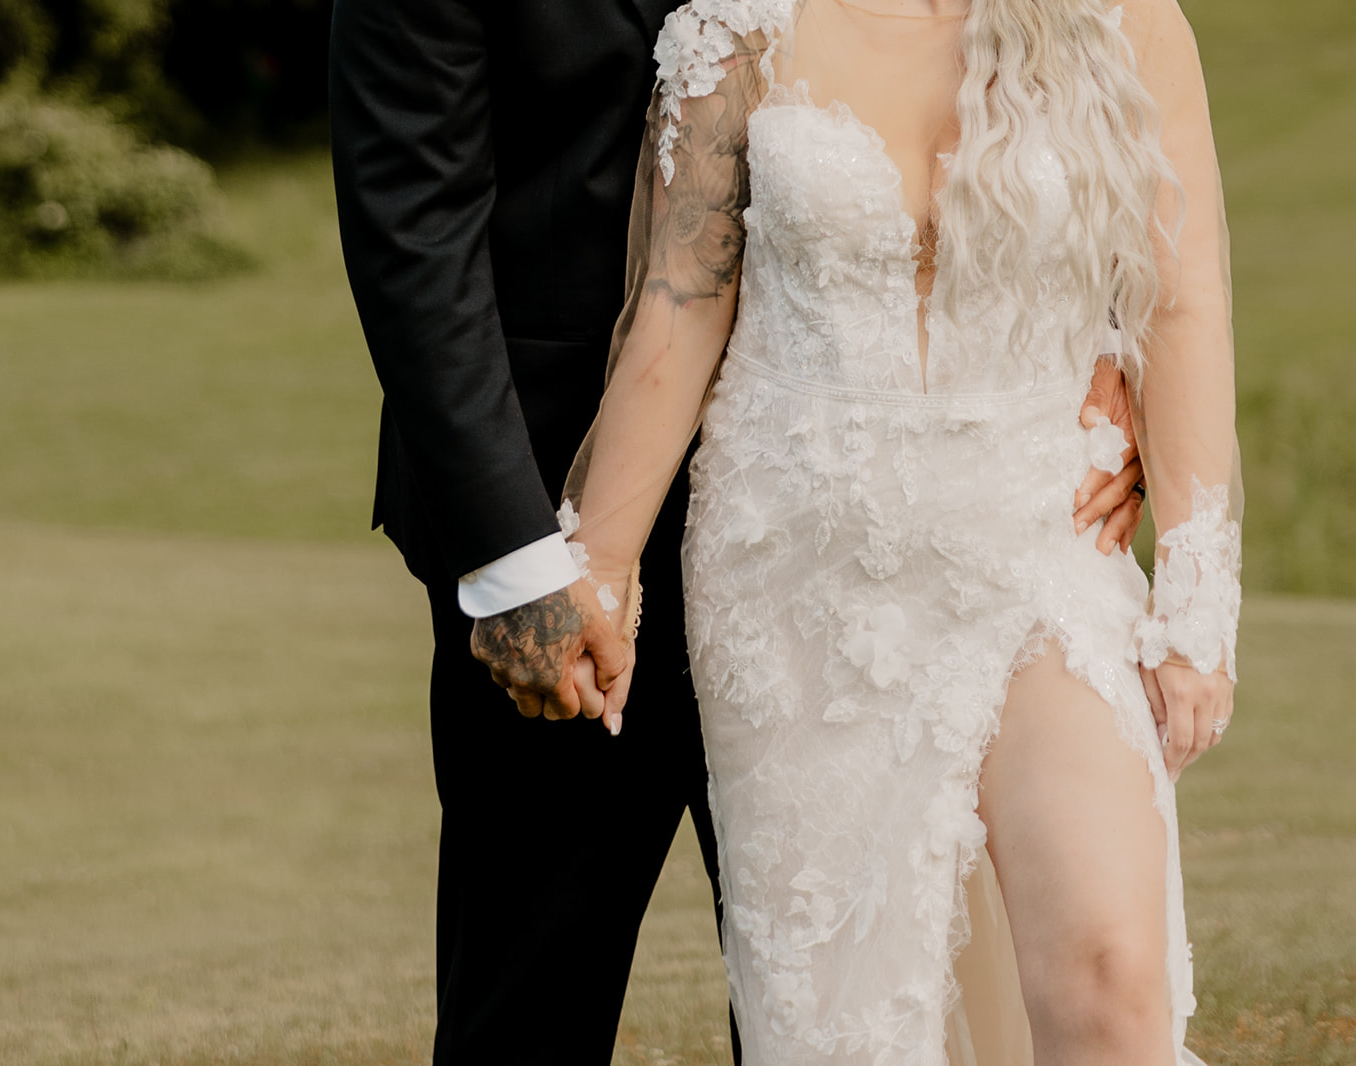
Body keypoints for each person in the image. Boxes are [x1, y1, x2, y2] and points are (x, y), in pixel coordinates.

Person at [327, 0, 1149, 1061]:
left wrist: (1089, 367)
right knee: (529, 994)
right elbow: (413, 231)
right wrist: (517, 557)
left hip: (845, 550)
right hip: (562, 534)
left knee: (848, 994)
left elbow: (1020, 91)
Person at [554, 0, 1241, 1062]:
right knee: (855, 1031)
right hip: (797, 583)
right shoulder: (736, 27)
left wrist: (1195, 600)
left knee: (1111, 974)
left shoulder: (1121, 16)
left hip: (1040, 537)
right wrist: (596, 563)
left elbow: (1180, 297)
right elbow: (681, 297)